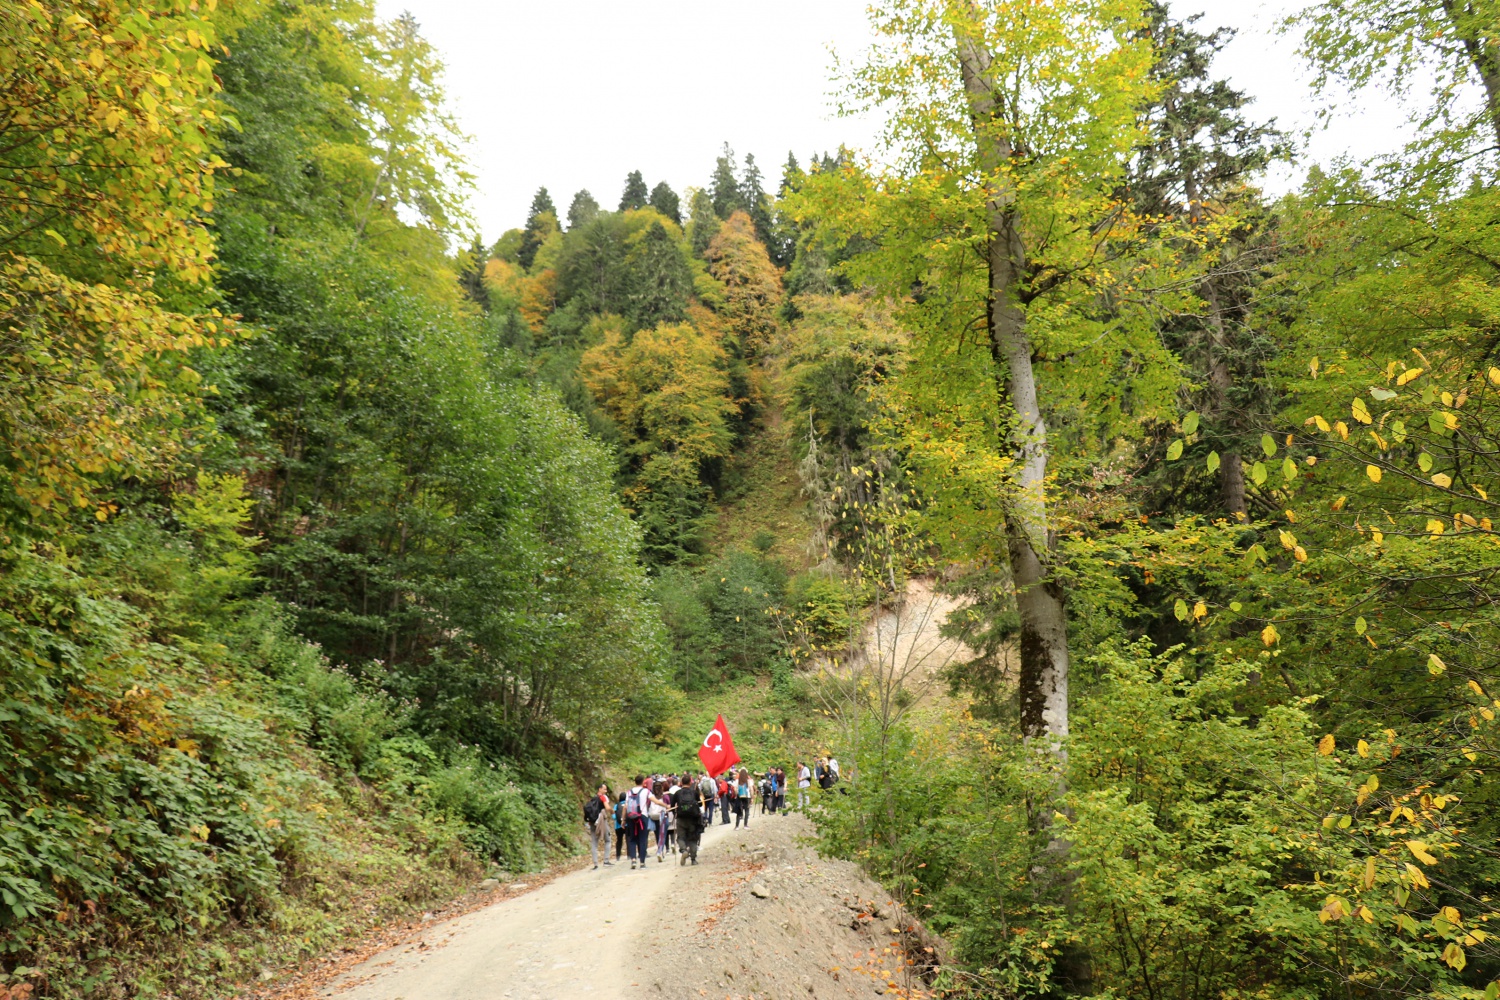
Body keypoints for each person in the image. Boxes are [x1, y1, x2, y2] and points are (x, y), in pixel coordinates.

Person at [675, 772, 706, 866]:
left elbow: (672, 806)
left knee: (681, 837)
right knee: (693, 838)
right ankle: (693, 859)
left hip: (681, 819)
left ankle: (683, 850)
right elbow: (700, 804)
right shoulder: (694, 792)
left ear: (681, 782)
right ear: (690, 782)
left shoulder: (678, 793)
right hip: (693, 819)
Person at [625, 775, 653, 870]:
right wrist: (665, 805)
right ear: (643, 782)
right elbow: (654, 800)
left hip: (631, 817)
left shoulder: (629, 792)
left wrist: (623, 820)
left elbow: (625, 807)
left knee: (632, 839)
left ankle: (633, 860)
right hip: (642, 817)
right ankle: (642, 863)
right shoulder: (646, 791)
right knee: (642, 839)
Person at [583, 783, 613, 869]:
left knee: (594, 843)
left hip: (593, 822)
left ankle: (595, 864)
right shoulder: (603, 797)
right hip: (601, 821)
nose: (606, 791)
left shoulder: (593, 799)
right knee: (608, 840)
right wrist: (612, 811)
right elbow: (607, 808)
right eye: (604, 789)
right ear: (600, 789)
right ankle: (606, 861)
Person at [613, 790, 627, 861]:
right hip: (627, 825)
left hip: (618, 826)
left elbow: (613, 816)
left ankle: (618, 856)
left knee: (619, 840)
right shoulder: (627, 804)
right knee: (628, 839)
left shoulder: (616, 805)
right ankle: (630, 855)